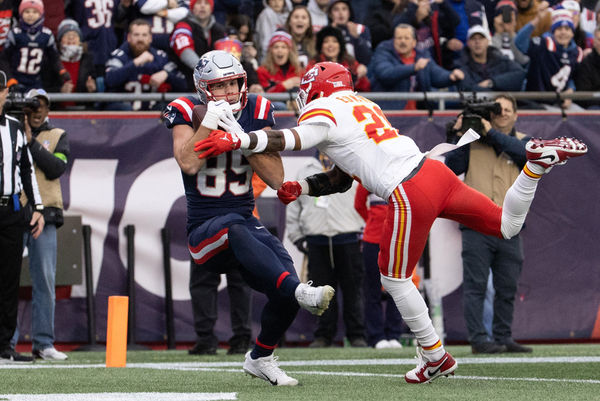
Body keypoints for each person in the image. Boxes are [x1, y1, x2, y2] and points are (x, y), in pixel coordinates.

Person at [195, 61, 587, 384]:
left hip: (409, 188)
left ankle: (434, 356)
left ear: (317, 88)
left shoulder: (323, 108)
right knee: (507, 226)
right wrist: (302, 186)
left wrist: (239, 141)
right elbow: (345, 175)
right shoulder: (362, 103)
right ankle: (533, 168)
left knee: (393, 278)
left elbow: (289, 138)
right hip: (435, 174)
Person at [162, 50, 334, 385]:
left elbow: (275, 177)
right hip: (204, 232)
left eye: (233, 83)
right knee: (235, 227)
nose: (229, 92)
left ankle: (261, 357)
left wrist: (241, 137)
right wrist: (212, 122)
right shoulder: (185, 109)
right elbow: (188, 162)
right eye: (220, 85)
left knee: (284, 284)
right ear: (203, 88)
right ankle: (300, 291)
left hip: (243, 221)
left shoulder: (257, 109)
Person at [445, 94, 534, 355]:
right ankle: (479, 339)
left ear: (516, 115)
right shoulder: (472, 141)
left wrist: (490, 134)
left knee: (507, 287)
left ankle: (503, 337)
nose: (503, 113)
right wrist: (460, 135)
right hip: (477, 225)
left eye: (508, 109)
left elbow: (524, 156)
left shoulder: (525, 141)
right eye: (498, 109)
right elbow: (452, 167)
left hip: (510, 227)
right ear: (490, 115)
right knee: (476, 286)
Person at [286, 152, 367, 348]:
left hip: (348, 236)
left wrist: (364, 231)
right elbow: (293, 205)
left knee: (353, 290)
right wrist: (298, 237)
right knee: (320, 291)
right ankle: (323, 335)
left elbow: (366, 201)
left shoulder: (351, 166)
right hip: (316, 239)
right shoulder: (306, 169)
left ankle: (356, 335)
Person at [12, 89, 69, 361]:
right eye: (32, 105)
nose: (36, 110)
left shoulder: (58, 135)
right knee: (7, 279)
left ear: (48, 109)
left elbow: (56, 169)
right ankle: (6, 343)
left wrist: (30, 141)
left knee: (44, 279)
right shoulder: (9, 132)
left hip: (45, 213)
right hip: (13, 212)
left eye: (42, 105)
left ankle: (44, 342)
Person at [0, 70, 45, 363]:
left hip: (10, 211)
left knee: (8, 281)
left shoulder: (15, 128)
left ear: (5, 93)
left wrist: (38, 208)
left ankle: (5, 345)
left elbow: (26, 170)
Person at [354, 183, 404, 349]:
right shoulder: (368, 176)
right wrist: (373, 221)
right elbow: (359, 204)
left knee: (396, 289)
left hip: (397, 239)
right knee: (373, 289)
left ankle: (394, 334)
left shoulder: (402, 174)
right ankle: (376, 336)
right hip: (373, 240)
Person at [368, 24, 464, 110]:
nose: (402, 41)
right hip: (389, 113)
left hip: (416, 115)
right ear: (393, 41)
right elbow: (385, 74)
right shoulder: (383, 52)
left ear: (414, 42)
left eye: (406, 38)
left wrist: (450, 76)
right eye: (399, 38)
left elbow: (436, 74)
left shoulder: (421, 55)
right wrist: (414, 68)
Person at [105, 18, 187, 110]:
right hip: (124, 112)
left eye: (144, 35)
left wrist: (167, 75)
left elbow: (183, 84)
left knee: (166, 108)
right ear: (128, 37)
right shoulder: (119, 55)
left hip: (153, 113)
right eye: (136, 35)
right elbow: (110, 80)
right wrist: (136, 62)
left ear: (150, 38)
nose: (140, 39)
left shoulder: (160, 57)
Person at [515, 8, 583, 110]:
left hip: (560, 102)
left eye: (567, 29)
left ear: (572, 33)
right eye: (559, 29)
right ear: (553, 32)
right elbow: (519, 42)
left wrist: (570, 90)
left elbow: (572, 76)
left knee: (583, 116)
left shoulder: (577, 52)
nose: (563, 32)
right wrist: (536, 20)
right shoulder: (543, 44)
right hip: (536, 101)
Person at [0, 0, 70, 91]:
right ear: (21, 13)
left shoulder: (46, 35)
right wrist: (10, 79)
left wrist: (61, 70)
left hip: (36, 81)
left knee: (39, 103)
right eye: (27, 11)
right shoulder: (15, 34)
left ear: (41, 14)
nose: (30, 15)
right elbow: (4, 59)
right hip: (16, 80)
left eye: (35, 12)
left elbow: (54, 57)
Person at [169, 0, 226, 91]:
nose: (202, 6)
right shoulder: (182, 25)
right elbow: (185, 52)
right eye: (198, 3)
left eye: (206, 3)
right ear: (192, 7)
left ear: (211, 8)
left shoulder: (219, 29)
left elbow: (226, 54)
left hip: (213, 86)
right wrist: (207, 71)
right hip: (185, 84)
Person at [42, 19, 97, 108]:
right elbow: (43, 88)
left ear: (80, 40)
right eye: (67, 35)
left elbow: (94, 96)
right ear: (60, 41)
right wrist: (60, 91)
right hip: (57, 110)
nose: (71, 38)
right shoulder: (51, 61)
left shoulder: (87, 60)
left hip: (82, 111)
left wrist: (92, 89)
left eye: (75, 35)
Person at [454, 25, 526, 92]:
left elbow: (520, 73)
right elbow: (466, 88)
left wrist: (492, 82)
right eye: (473, 39)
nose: (477, 42)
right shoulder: (461, 65)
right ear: (468, 43)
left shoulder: (500, 60)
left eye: (481, 38)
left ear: (487, 41)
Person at [309, 26, 370, 92]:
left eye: (335, 41)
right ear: (320, 46)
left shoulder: (350, 62)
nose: (330, 45)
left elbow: (366, 87)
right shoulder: (314, 65)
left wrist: (359, 77)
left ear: (340, 45)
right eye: (326, 41)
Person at [256, 31, 304, 109]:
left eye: (283, 47)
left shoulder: (298, 71)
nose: (280, 50)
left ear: (289, 51)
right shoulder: (262, 71)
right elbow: (264, 96)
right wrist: (284, 85)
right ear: (271, 51)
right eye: (276, 47)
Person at [327, 0, 373, 66]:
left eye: (344, 9)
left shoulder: (360, 29)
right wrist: (331, 32)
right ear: (330, 14)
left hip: (356, 71)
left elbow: (367, 58)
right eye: (336, 9)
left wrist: (356, 38)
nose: (341, 13)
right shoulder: (325, 32)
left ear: (349, 13)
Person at [574, 26, 600, 108]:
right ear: (594, 42)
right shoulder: (586, 64)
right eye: (599, 40)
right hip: (594, 105)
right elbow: (583, 96)